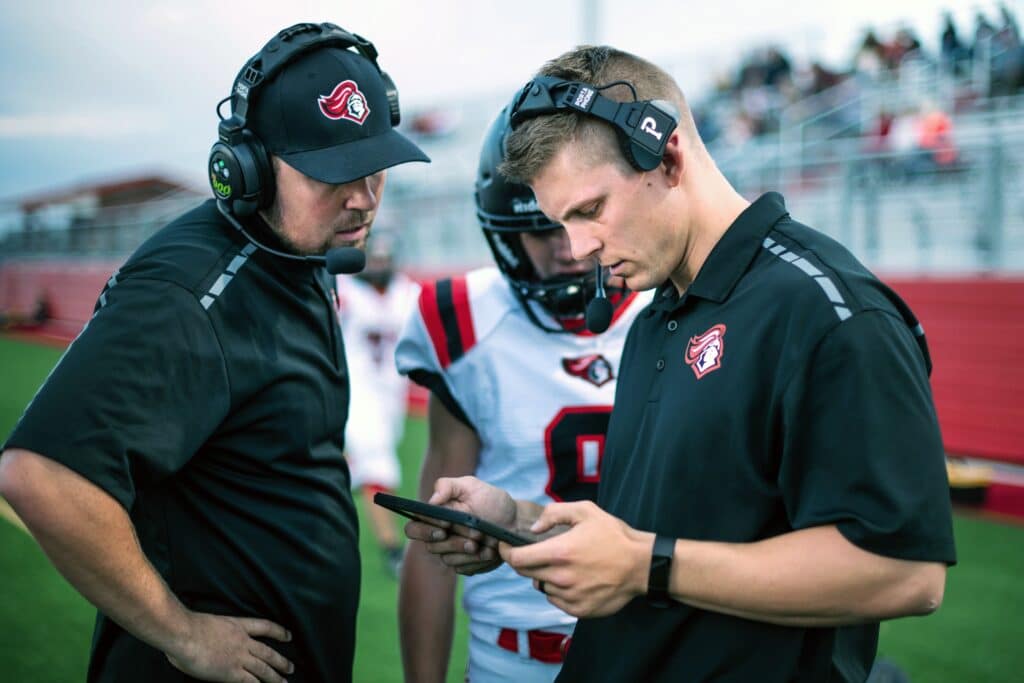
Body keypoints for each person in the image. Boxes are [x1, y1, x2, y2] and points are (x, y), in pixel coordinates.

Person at [406, 45, 956, 682]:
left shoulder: (828, 313)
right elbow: (660, 530)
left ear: (667, 158)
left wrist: (645, 564)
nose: (579, 247)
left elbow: (905, 573)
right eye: (560, 222)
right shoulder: (657, 315)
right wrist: (518, 519)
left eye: (589, 210)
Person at [0, 22, 428, 683]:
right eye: (332, 175)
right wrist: (184, 632)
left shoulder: (297, 249)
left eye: (375, 171)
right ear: (248, 169)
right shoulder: (191, 290)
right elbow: (40, 474)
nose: (363, 200)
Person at [395, 105, 653, 682]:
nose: (569, 247)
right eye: (542, 226)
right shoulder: (462, 321)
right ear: (504, 233)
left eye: (583, 215)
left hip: (659, 647)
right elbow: (436, 541)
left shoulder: (675, 308)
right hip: (514, 658)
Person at [335, 229, 420, 577]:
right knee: (380, 466)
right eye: (374, 256)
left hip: (392, 392)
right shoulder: (343, 291)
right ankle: (393, 551)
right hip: (359, 388)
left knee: (368, 466)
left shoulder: (408, 293)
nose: (379, 264)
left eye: (385, 257)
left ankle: (336, 479)